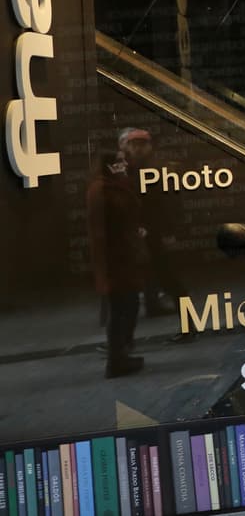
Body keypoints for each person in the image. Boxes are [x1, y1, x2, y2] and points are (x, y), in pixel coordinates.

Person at [87, 127, 153, 378]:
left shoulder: (106, 186)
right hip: (118, 258)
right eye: (118, 162)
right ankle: (117, 359)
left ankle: (121, 354)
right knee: (122, 309)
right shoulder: (106, 190)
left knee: (128, 306)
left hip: (120, 256)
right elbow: (123, 212)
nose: (123, 165)